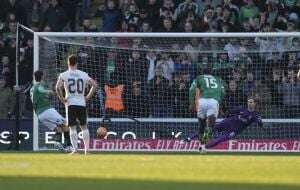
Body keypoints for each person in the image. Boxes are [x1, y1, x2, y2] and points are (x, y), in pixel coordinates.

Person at [55, 55, 97, 155]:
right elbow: (94, 85)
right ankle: (87, 150)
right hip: (81, 103)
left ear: (68, 63)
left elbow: (57, 87)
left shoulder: (64, 75)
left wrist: (62, 99)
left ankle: (75, 150)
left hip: (70, 103)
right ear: (77, 63)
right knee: (84, 127)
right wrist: (87, 97)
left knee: (72, 127)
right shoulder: (83, 74)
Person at [30, 70, 71, 151]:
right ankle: (69, 146)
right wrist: (50, 91)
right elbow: (41, 90)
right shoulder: (38, 85)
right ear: (42, 76)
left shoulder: (32, 88)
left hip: (39, 115)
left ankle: (58, 145)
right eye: (44, 75)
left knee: (58, 129)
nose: (45, 76)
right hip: (46, 110)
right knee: (65, 125)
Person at [188, 69, 225, 151]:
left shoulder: (199, 78)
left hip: (201, 101)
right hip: (213, 101)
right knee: (210, 127)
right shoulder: (218, 79)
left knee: (201, 126)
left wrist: (191, 103)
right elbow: (223, 93)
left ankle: (201, 145)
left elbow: (191, 90)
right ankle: (204, 145)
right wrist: (220, 104)